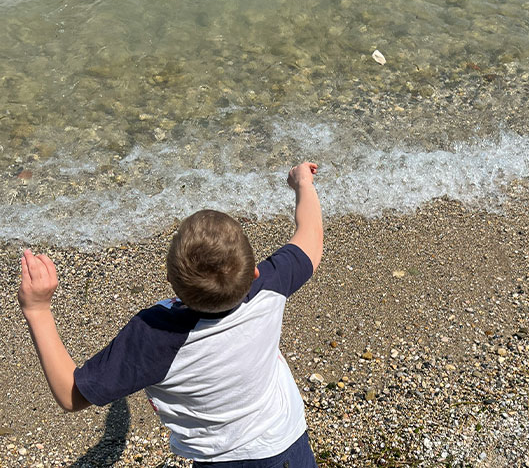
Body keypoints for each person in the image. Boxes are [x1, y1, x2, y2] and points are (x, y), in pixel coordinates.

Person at [18, 162, 323, 467]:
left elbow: (72, 395)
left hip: (225, 460)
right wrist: (302, 184)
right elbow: (310, 236)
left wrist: (37, 309)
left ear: (170, 281)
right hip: (290, 442)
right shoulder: (268, 287)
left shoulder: (157, 336)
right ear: (254, 273)